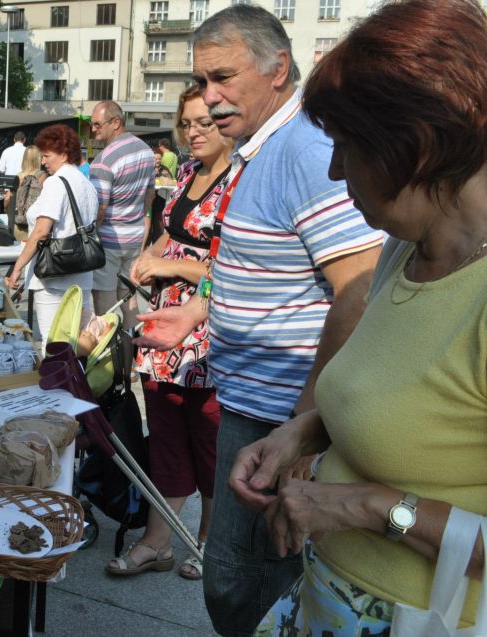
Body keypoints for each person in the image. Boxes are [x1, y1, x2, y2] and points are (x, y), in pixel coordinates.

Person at [134, 6, 385, 635]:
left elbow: (357, 287)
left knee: (246, 588)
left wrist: (305, 426)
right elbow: (260, 268)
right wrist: (197, 312)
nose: (208, 97)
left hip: (278, 418)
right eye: (200, 81)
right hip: (252, 406)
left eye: (222, 78)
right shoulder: (258, 148)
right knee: (236, 582)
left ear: (278, 69)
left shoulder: (303, 147)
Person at [242, 1, 487, 633]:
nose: (332, 170)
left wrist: (368, 507)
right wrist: (309, 431)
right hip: (330, 597)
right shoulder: (404, 249)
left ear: (420, 145)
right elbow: (413, 403)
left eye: (347, 148)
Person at [107, 86, 232, 581]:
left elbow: (236, 266)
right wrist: (149, 256)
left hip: (209, 329)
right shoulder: (186, 174)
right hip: (162, 325)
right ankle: (158, 542)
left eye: (205, 122)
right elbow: (172, 232)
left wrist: (169, 265)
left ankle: (208, 542)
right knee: (164, 436)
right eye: (187, 123)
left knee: (211, 441)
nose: (194, 132)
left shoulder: (242, 183)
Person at [5, 124, 98, 351]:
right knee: (79, 342)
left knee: (52, 342)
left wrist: (17, 268)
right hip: (83, 273)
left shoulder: (57, 183)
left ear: (64, 154)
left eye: (47, 155)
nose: (43, 161)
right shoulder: (87, 184)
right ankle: (77, 384)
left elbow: (41, 231)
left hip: (54, 275)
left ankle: (57, 385)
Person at [88, 100, 156, 349]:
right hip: (134, 235)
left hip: (109, 240)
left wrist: (92, 237)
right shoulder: (146, 151)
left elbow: (100, 209)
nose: (93, 129)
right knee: (129, 299)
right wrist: (137, 217)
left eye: (97, 124)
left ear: (115, 122)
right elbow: (150, 194)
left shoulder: (104, 160)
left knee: (105, 305)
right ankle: (131, 361)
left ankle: (111, 363)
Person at [6, 145, 46, 242]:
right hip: (32, 225)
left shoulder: (18, 176)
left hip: (16, 223)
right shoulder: (41, 176)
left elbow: (7, 199)